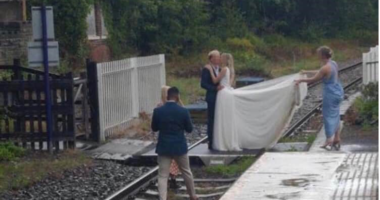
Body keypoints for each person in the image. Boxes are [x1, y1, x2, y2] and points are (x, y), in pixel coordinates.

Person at [151, 87, 198, 200]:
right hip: (179, 147)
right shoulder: (183, 111)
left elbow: (154, 128)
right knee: (186, 171)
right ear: (177, 97)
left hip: (164, 147)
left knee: (162, 175)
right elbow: (189, 129)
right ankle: (193, 196)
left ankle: (163, 198)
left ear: (167, 96)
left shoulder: (158, 111)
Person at [295, 46, 344, 150]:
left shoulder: (325, 68)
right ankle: (337, 138)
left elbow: (314, 79)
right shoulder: (333, 63)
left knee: (328, 116)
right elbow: (320, 72)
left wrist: (300, 81)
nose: (318, 56)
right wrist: (306, 71)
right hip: (338, 91)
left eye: (319, 54)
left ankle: (328, 140)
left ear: (322, 55)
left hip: (330, 94)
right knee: (335, 115)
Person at [205, 53, 241, 151]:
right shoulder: (228, 69)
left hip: (222, 93)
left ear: (225, 60)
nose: (219, 59)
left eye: (221, 58)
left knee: (221, 117)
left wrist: (210, 70)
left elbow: (215, 80)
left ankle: (222, 141)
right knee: (225, 117)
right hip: (226, 91)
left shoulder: (224, 69)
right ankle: (226, 140)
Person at [157, 86, 183, 189]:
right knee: (171, 161)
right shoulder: (161, 107)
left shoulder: (162, 107)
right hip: (170, 138)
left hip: (167, 138)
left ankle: (172, 179)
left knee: (172, 162)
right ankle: (171, 180)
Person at [201, 50, 224, 150]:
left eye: (219, 57)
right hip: (212, 97)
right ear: (211, 59)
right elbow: (203, 84)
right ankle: (211, 140)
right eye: (216, 57)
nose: (218, 59)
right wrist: (214, 88)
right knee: (212, 118)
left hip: (222, 97)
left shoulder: (221, 69)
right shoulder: (207, 69)